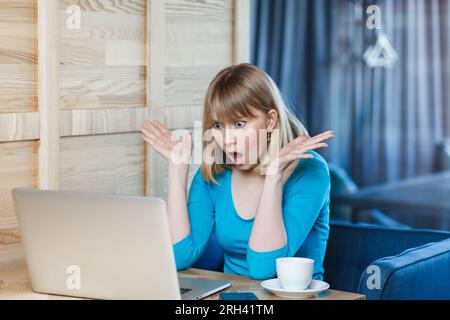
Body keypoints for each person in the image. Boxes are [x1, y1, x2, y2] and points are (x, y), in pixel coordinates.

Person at [140, 63, 334, 280]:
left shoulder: (310, 170)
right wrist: (177, 170)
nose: (227, 140)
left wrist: (273, 177)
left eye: (239, 124)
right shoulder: (214, 174)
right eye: (218, 126)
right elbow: (179, 258)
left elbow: (264, 269)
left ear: (270, 121)